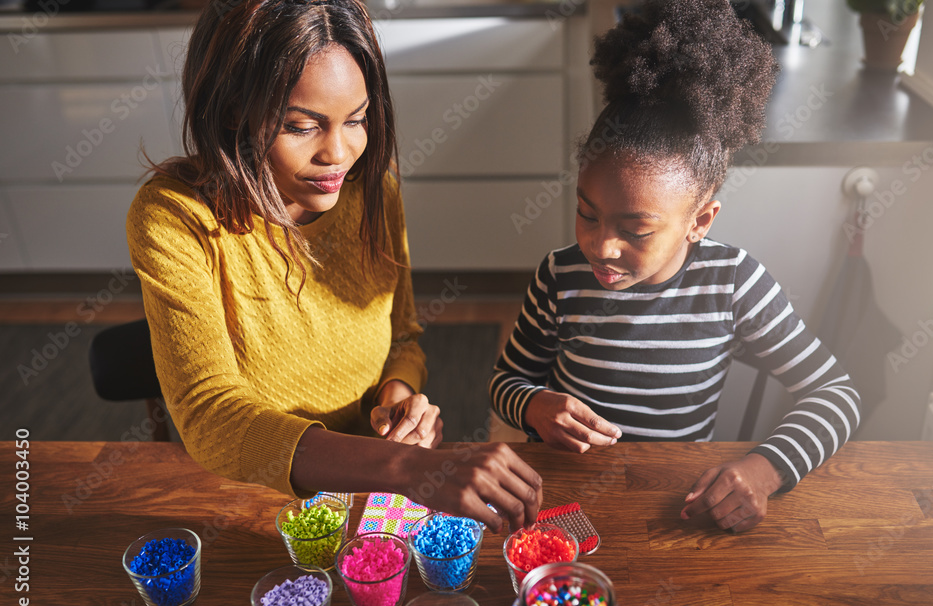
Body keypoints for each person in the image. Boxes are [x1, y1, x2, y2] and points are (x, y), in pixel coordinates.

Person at [126, 0, 540, 532]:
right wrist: (409, 467)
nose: (340, 154)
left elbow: (404, 339)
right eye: (301, 127)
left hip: (373, 481)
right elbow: (210, 416)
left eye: (358, 119)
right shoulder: (173, 218)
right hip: (251, 496)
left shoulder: (373, 192)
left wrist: (399, 397)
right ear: (233, 112)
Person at [490, 0, 859, 532]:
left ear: (700, 221)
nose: (602, 246)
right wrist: (532, 406)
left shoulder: (733, 283)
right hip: (562, 500)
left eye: (636, 231)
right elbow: (506, 379)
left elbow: (837, 396)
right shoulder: (559, 276)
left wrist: (766, 468)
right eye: (586, 214)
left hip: (672, 507)